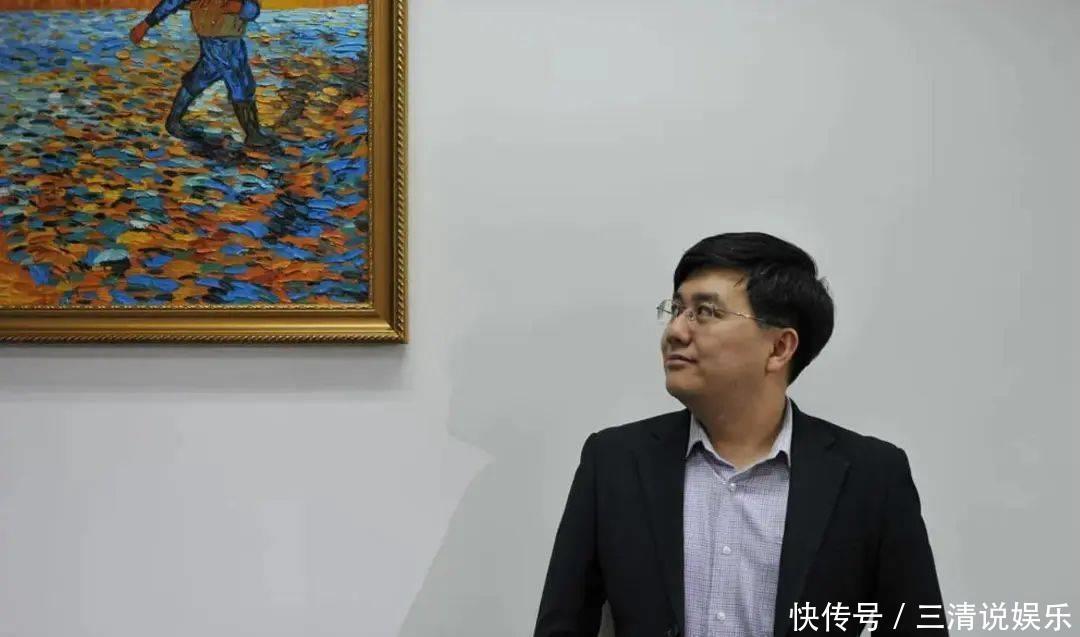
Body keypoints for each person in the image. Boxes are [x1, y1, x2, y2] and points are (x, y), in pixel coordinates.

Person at [534, 232, 947, 637]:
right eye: (676, 309)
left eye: (705, 312)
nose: (675, 331)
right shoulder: (614, 461)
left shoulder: (871, 476)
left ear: (780, 348)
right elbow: (563, 625)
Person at [129, 0, 274, 147]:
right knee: (240, 83)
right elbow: (172, 2)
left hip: (221, 38)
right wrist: (146, 24)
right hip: (223, 41)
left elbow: (253, 9)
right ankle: (253, 134)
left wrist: (243, 8)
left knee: (200, 78)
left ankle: (174, 121)